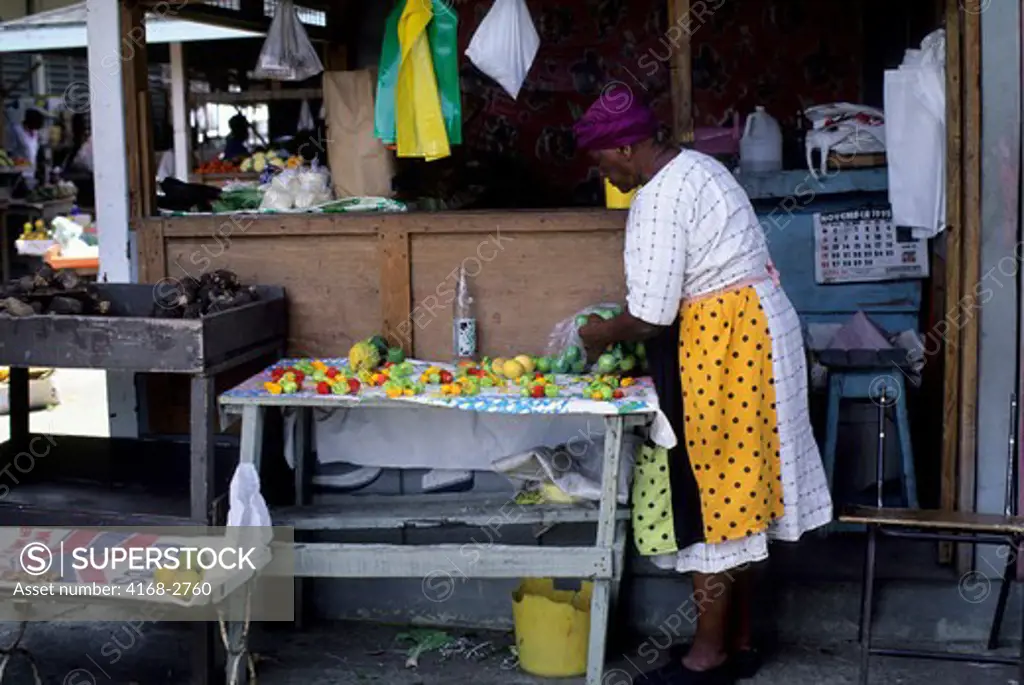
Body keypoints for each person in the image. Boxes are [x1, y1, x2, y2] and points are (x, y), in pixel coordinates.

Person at [573, 92, 832, 685]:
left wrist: (594, 334)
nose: (601, 174)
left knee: (713, 497)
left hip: (727, 347)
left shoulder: (659, 199)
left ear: (623, 146)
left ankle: (707, 654)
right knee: (742, 492)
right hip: (757, 330)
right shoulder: (699, 166)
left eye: (600, 161)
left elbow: (651, 316)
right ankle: (737, 640)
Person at [7, 108, 45, 178]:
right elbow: (10, 153)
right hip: (19, 173)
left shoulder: (35, 133)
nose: (35, 129)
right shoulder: (17, 131)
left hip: (31, 174)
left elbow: (34, 153)